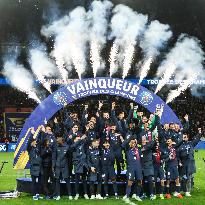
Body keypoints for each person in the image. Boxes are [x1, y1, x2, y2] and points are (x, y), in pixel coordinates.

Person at [178, 128, 202, 197]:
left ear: (187, 138)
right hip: (183, 163)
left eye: (185, 137)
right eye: (183, 137)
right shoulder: (179, 145)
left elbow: (197, 140)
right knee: (182, 178)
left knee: (189, 177)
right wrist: (179, 162)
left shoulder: (191, 143)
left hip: (190, 163)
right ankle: (182, 190)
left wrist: (199, 132)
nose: (184, 138)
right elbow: (177, 156)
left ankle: (187, 191)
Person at [122, 135, 143, 203]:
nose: (133, 144)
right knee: (129, 182)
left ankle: (137, 196)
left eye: (134, 143)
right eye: (132, 143)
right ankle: (127, 197)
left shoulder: (138, 150)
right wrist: (130, 138)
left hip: (138, 167)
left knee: (140, 181)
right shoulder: (127, 149)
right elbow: (123, 144)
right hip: (131, 167)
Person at [52, 134, 72, 200]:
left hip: (65, 166)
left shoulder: (67, 147)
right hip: (57, 166)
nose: (57, 142)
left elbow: (69, 158)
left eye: (58, 141)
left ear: (62, 140)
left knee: (67, 181)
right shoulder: (56, 147)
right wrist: (53, 165)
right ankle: (58, 195)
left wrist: (69, 166)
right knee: (57, 181)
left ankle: (70, 195)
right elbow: (54, 157)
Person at [71, 134, 89, 200]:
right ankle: (77, 194)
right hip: (77, 165)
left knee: (84, 180)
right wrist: (80, 139)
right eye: (77, 139)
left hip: (83, 164)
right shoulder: (73, 146)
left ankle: (85, 193)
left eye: (79, 139)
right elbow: (72, 147)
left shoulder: (83, 145)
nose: (79, 140)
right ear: (74, 140)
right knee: (77, 181)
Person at [27, 135, 43, 200]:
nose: (36, 142)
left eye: (36, 141)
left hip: (39, 168)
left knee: (39, 182)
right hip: (33, 167)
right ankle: (34, 195)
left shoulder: (38, 148)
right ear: (31, 142)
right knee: (33, 182)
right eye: (34, 141)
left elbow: (41, 141)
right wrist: (32, 134)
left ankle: (37, 194)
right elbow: (28, 143)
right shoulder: (30, 149)